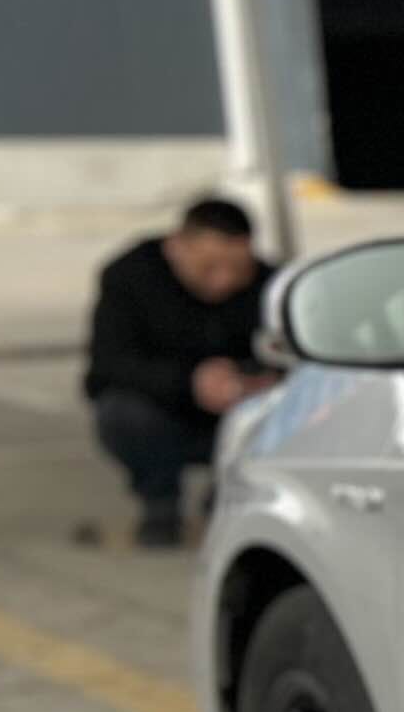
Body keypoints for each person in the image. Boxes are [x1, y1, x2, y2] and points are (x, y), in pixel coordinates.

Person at [83, 194, 271, 548]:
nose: (223, 281)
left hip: (238, 417)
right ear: (176, 248)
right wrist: (190, 381)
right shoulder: (129, 277)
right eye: (208, 267)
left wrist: (253, 379)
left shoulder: (268, 283)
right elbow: (107, 365)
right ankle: (160, 504)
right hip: (163, 412)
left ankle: (226, 503)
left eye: (237, 269)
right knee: (121, 412)